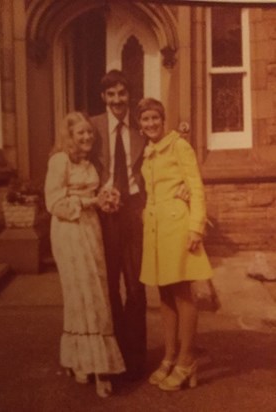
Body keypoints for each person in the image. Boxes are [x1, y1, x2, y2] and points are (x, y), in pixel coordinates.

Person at [44, 111, 125, 398]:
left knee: (97, 293)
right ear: (69, 136)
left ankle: (93, 362)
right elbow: (54, 201)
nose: (87, 137)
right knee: (79, 295)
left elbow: (98, 194)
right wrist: (91, 201)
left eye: (89, 132)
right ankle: (85, 363)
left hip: (91, 229)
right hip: (69, 230)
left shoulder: (90, 163)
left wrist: (107, 199)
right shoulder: (59, 161)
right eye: (81, 133)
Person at [137, 98, 213, 391]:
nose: (151, 124)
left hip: (179, 227)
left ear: (163, 119)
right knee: (164, 295)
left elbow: (195, 186)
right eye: (145, 119)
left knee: (183, 293)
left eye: (155, 118)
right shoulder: (148, 152)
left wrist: (196, 227)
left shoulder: (179, 145)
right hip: (157, 231)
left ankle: (187, 358)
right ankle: (169, 356)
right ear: (140, 124)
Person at [90, 70, 147, 380]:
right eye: (111, 95)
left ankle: (136, 356)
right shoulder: (93, 127)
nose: (116, 100)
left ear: (129, 96)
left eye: (122, 94)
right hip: (105, 214)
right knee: (109, 285)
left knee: (136, 286)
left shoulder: (141, 126)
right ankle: (113, 356)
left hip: (134, 212)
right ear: (103, 98)